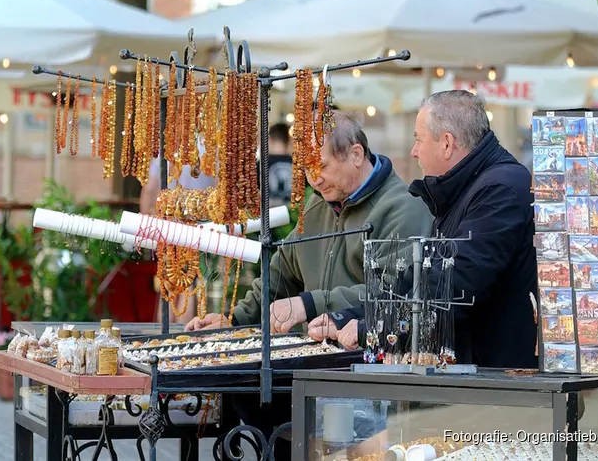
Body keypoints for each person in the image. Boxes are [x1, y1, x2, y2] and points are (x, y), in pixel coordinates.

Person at [185, 111, 432, 459]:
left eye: (323, 166)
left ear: (356, 155)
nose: (313, 178)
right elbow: (283, 268)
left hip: (367, 375)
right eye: (304, 168)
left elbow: (395, 293)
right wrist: (236, 321)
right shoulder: (317, 204)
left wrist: (311, 302)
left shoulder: (403, 209)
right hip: (311, 371)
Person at [319, 90, 538, 369]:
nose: (414, 151)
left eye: (418, 139)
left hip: (502, 382)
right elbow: (418, 280)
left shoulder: (499, 190)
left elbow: (454, 285)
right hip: (479, 376)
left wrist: (372, 329)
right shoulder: (466, 187)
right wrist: (350, 316)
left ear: (446, 144)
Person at [141, 153, 216, 326]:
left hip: (168, 226)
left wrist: (146, 226)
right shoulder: (209, 151)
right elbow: (218, 189)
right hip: (198, 229)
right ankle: (183, 332)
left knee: (168, 286)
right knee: (189, 285)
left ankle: (167, 331)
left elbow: (149, 189)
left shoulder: (165, 151)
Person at [265, 122, 293, 207]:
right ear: (288, 140)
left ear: (269, 140)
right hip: (292, 215)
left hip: (269, 215)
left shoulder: (261, 164)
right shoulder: (297, 165)